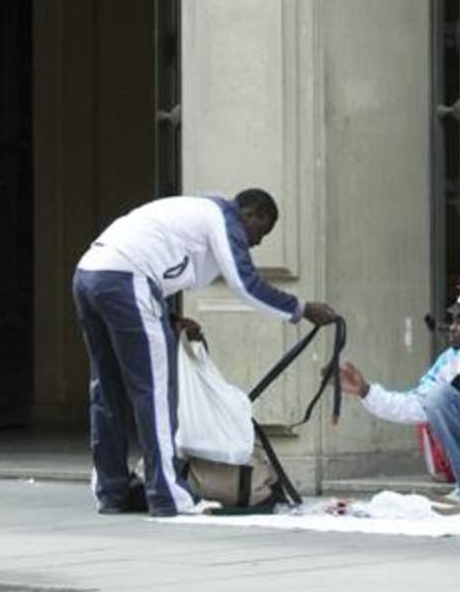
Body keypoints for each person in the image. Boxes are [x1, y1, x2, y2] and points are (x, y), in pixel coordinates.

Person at [73, 189, 339, 517]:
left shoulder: (191, 214)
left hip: (90, 274)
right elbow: (246, 285)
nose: (256, 243)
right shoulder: (223, 218)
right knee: (154, 394)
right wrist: (301, 309)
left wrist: (171, 319)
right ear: (251, 213)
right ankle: (167, 495)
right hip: (128, 280)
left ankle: (111, 492)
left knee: (107, 390)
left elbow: (160, 265)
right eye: (261, 230)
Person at [339, 289, 460, 503]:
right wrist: (365, 391)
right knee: (436, 396)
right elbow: (415, 404)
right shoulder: (450, 360)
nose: (453, 328)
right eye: (452, 320)